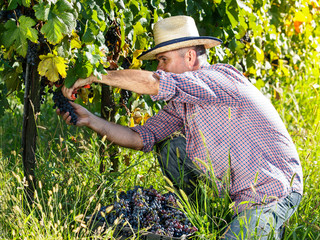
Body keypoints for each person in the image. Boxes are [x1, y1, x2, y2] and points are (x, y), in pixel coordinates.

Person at [57, 15, 303, 239]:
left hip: (272, 192)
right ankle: (198, 218)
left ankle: (264, 224)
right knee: (170, 147)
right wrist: (89, 119)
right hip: (239, 193)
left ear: (190, 57)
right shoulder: (182, 103)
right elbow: (140, 138)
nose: (159, 68)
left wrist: (97, 75)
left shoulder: (218, 79)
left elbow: (154, 83)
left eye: (163, 60)